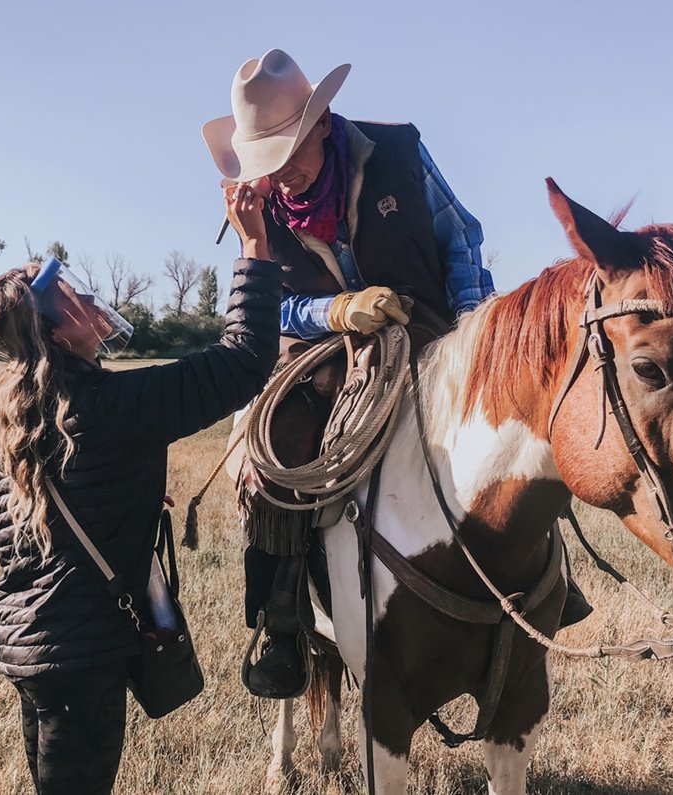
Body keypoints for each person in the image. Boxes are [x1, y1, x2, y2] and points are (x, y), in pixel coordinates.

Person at [203, 49, 588, 699]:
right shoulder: (258, 204)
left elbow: (458, 233)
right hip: (319, 348)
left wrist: (475, 329)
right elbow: (263, 299)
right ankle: (283, 619)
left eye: (289, 152)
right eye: (267, 160)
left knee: (509, 426)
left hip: (430, 325)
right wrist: (337, 310)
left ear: (322, 124)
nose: (282, 174)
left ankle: (547, 574)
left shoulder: (400, 154)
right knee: (276, 451)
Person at [0, 185, 280, 795]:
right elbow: (245, 359)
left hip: (32, 641)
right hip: (80, 653)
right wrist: (254, 246)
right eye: (73, 297)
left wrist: (128, 494)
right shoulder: (112, 405)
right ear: (57, 335)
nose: (90, 298)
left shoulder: (5, 407)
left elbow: (26, 522)